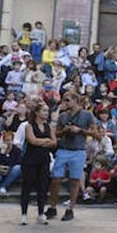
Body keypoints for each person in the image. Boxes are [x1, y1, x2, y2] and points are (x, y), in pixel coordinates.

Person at [49, 91, 99, 221]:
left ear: (76, 101)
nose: (65, 103)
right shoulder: (63, 116)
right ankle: (52, 207)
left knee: (75, 181)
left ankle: (70, 208)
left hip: (78, 150)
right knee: (55, 179)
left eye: (67, 100)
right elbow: (56, 133)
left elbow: (96, 134)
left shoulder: (87, 115)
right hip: (64, 149)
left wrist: (80, 131)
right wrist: (64, 130)